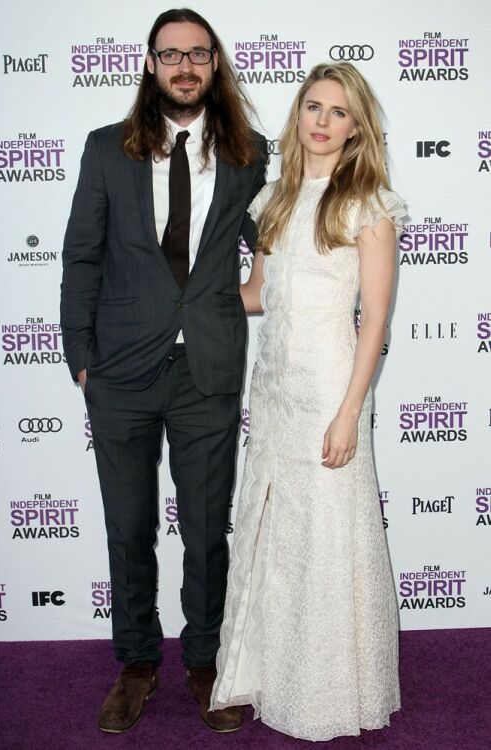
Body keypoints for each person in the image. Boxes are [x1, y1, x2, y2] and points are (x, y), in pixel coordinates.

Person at [60, 7, 267, 735]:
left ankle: (207, 662)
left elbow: (274, 238)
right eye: (170, 54)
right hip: (118, 369)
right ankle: (137, 662)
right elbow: (81, 255)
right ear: (150, 64)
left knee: (207, 529)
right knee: (128, 527)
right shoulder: (105, 149)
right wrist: (80, 358)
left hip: (206, 366)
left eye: (197, 54)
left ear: (214, 64)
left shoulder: (247, 153)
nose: (184, 66)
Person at [210, 62, 404, 741]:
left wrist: (349, 412)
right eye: (312, 107)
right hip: (274, 389)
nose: (321, 121)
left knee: (326, 533)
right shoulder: (274, 198)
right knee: (278, 532)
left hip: (329, 389)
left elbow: (374, 321)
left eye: (338, 112)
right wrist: (185, 295)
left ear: (356, 129)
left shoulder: (368, 205)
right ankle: (273, 671)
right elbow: (257, 294)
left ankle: (328, 689)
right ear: (297, 115)